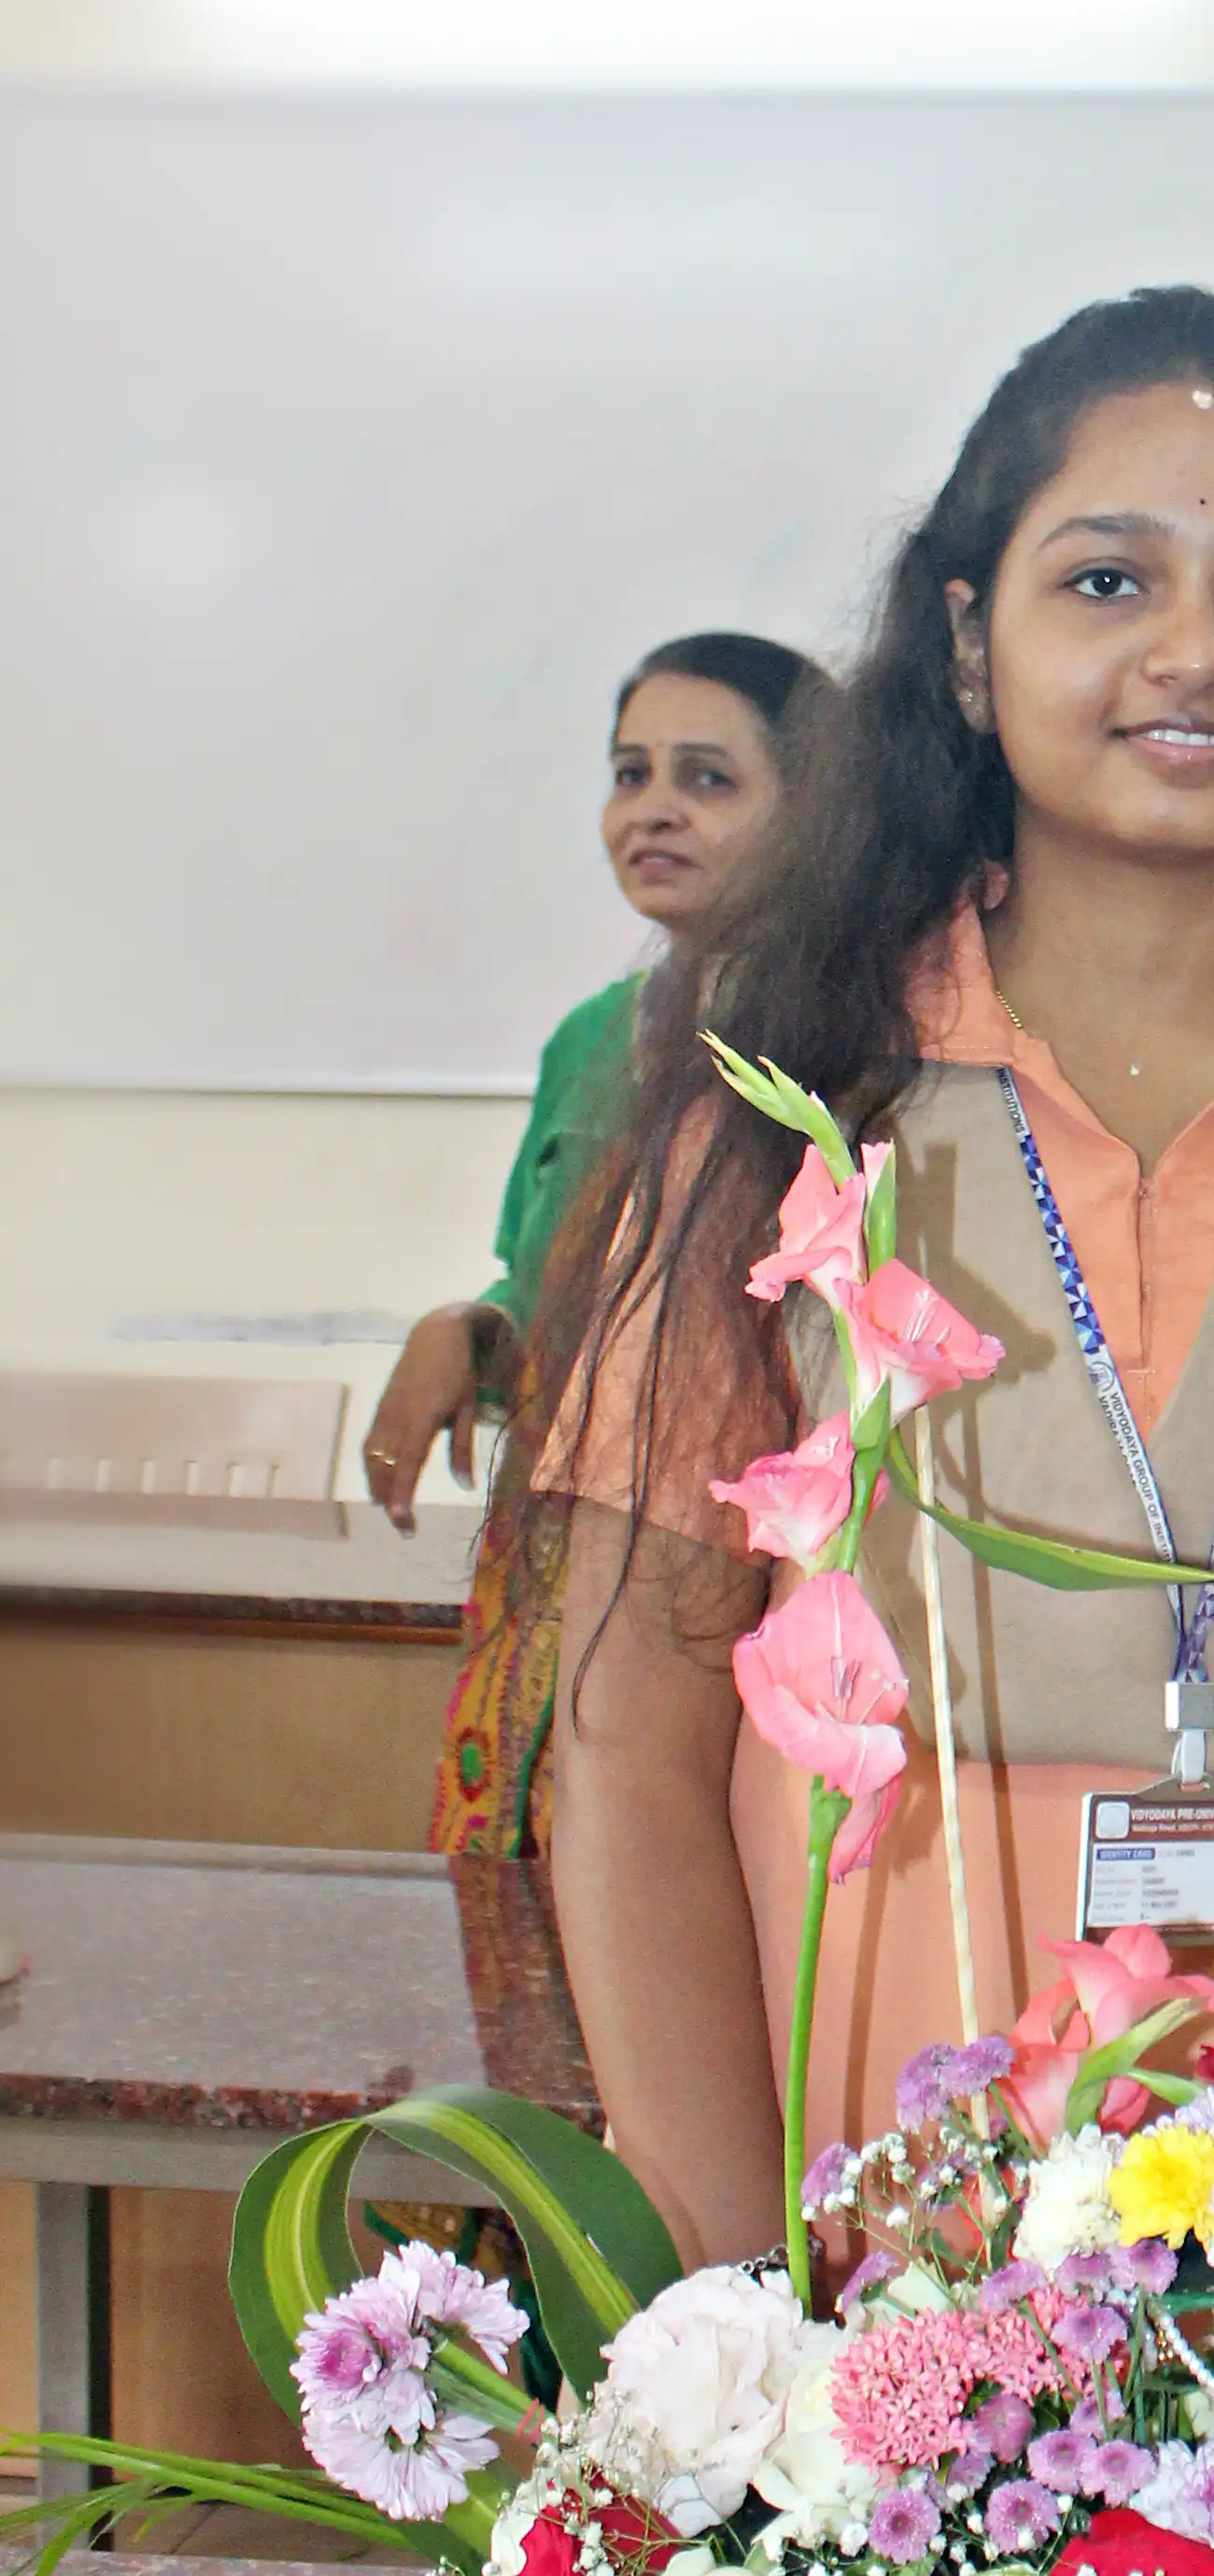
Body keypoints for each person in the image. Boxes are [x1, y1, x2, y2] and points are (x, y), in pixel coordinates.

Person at [547, 289, 1214, 2266]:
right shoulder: (784, 1117)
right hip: (884, 2255)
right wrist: (730, 2311)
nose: (1197, 653)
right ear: (965, 648)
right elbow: (632, 1749)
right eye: (1108, 578)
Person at [363, 631, 827, 1861]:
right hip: (550, 1576)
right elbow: (543, 1281)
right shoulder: (588, 1041)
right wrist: (474, 1331)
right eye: (632, 775)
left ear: (817, 811)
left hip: (740, 1596)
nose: (655, 810)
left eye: (708, 778)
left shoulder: (856, 1049)